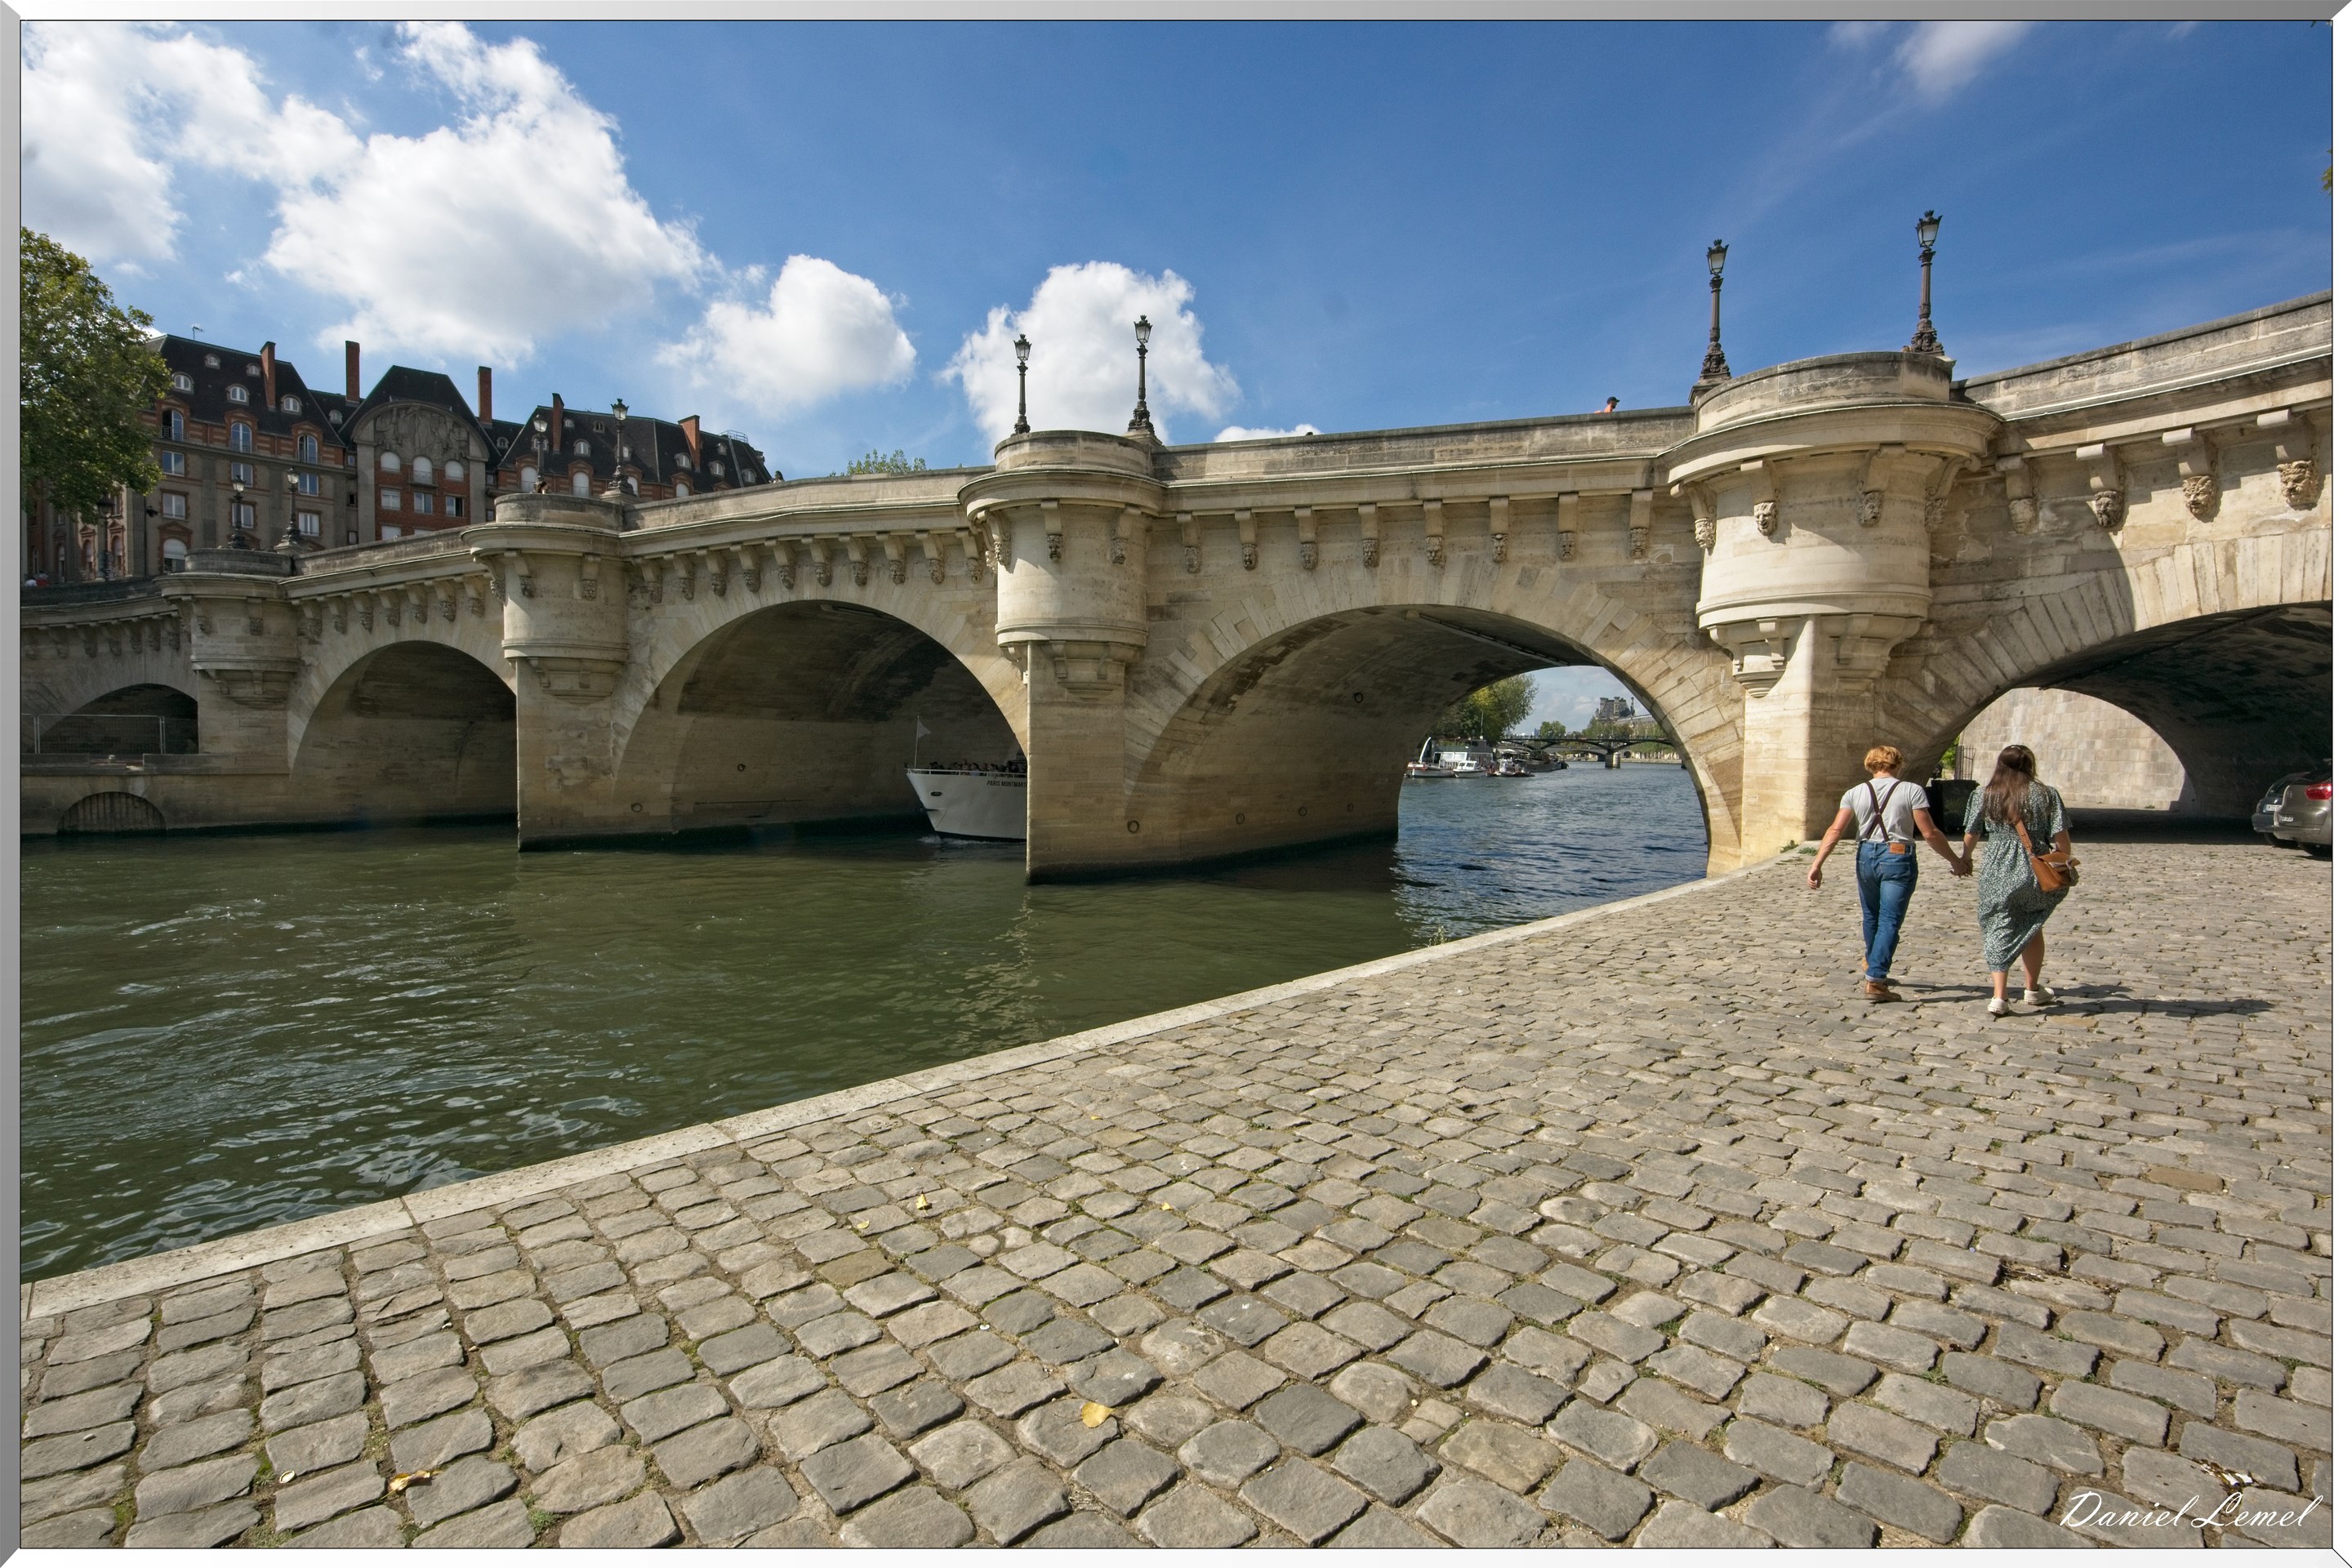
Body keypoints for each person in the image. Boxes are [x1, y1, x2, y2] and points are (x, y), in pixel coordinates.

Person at [1805, 744, 1964, 1002]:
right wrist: (1955, 861)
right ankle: (1876, 980)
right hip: (1898, 855)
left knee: (1871, 916)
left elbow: (1835, 830)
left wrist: (1817, 864)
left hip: (1866, 854)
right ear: (1898, 764)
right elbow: (1930, 833)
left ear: (1870, 765)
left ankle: (1872, 962)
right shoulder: (1911, 791)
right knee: (1890, 919)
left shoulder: (1855, 793)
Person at [1958, 743, 2072, 1016]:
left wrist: (1965, 859)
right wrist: (2062, 859)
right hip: (2035, 866)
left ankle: (1999, 996)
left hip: (1997, 868)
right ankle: (2032, 989)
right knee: (2032, 923)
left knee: (1998, 924)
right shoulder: (2047, 794)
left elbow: (1972, 833)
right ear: (2029, 765)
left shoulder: (1983, 795)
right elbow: (2061, 838)